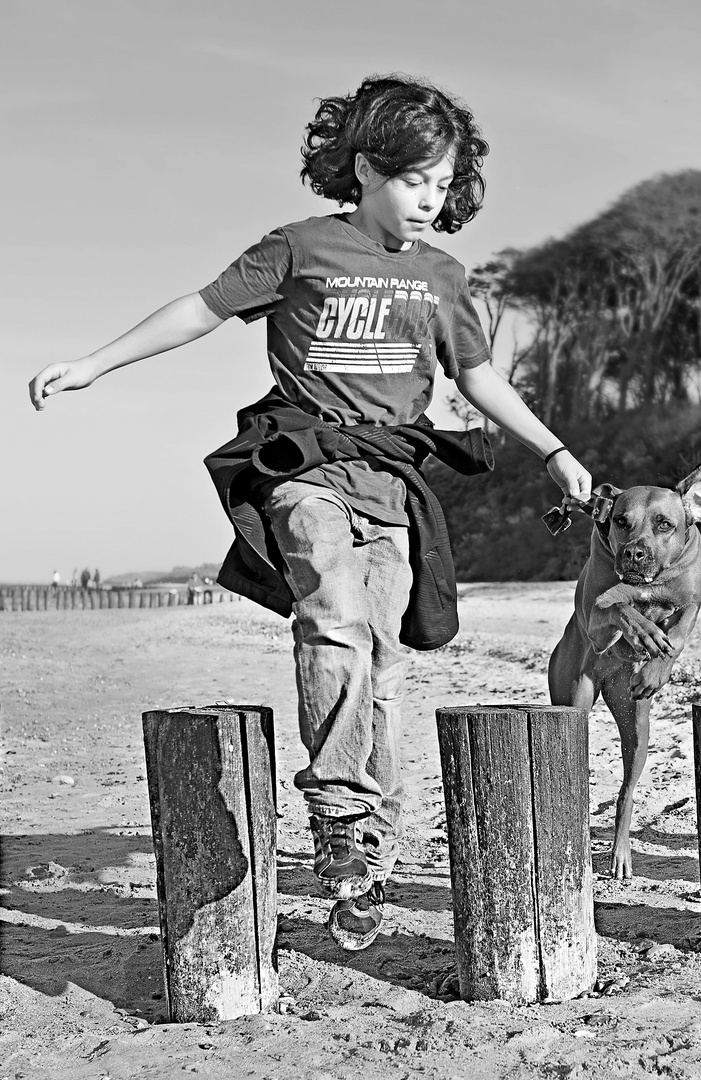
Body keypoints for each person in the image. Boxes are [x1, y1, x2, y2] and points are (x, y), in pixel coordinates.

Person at [28, 74, 591, 951]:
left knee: (389, 664)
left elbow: (478, 379)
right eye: (416, 183)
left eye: (444, 188)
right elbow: (200, 310)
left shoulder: (442, 276)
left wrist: (554, 451)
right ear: (367, 168)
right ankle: (336, 811)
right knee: (330, 614)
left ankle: (371, 851)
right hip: (304, 467)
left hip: (392, 484)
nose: (430, 203)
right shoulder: (298, 249)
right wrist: (95, 365)